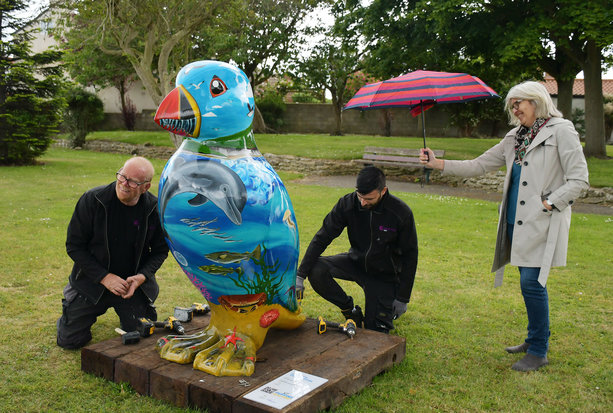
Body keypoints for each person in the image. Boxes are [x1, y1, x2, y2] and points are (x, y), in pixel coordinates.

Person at [419, 81, 589, 371]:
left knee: (531, 284)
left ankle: (538, 350)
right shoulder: (514, 137)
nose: (514, 108)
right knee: (529, 284)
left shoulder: (562, 130)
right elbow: (478, 165)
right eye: (512, 104)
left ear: (536, 101)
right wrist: (438, 164)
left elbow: (579, 180)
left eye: (518, 102)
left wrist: (549, 203)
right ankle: (535, 337)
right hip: (515, 223)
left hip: (543, 223)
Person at [57, 156, 169, 349]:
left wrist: (142, 276)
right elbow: (74, 245)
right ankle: (71, 309)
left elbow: (160, 251)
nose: (124, 184)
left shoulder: (154, 210)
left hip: (130, 286)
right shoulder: (93, 200)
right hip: (92, 282)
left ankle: (132, 310)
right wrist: (104, 277)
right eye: (122, 176)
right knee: (70, 342)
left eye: (132, 181)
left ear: (146, 187)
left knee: (141, 336)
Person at [296, 166, 418, 333]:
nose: (362, 202)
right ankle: (350, 310)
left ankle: (378, 313)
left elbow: (410, 256)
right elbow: (323, 237)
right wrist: (300, 275)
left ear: (383, 191)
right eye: (360, 196)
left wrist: (403, 298)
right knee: (317, 269)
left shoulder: (400, 213)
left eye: (369, 198)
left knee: (375, 332)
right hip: (356, 263)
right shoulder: (347, 204)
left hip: (384, 276)